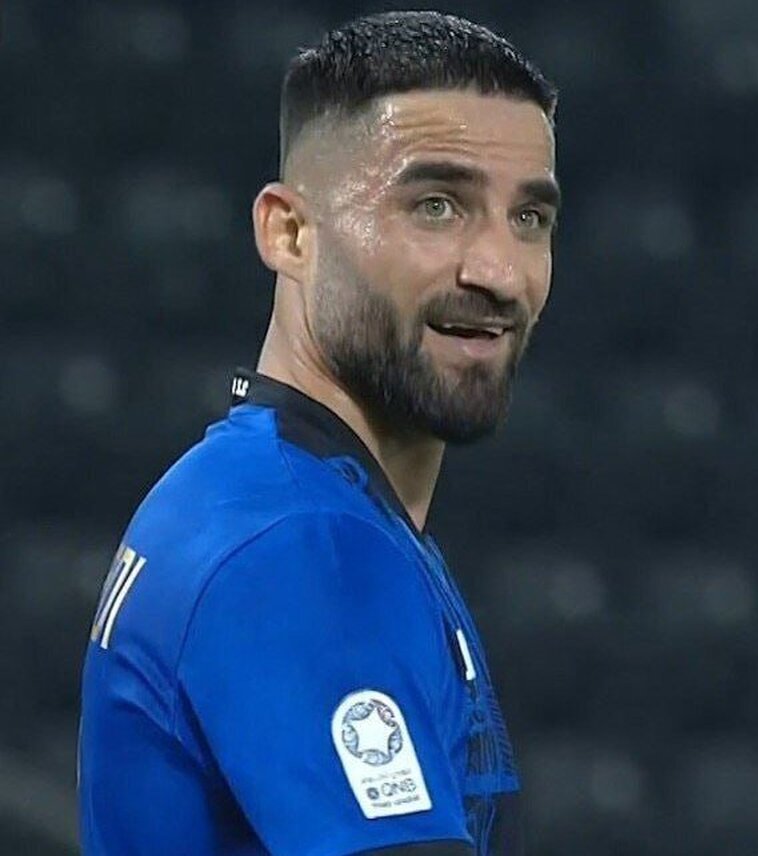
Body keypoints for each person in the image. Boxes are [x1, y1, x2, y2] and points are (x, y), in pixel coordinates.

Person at [78, 10, 560, 855]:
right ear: (289, 232)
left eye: (529, 219)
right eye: (437, 206)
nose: (500, 272)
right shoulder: (300, 547)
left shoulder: (258, 494)